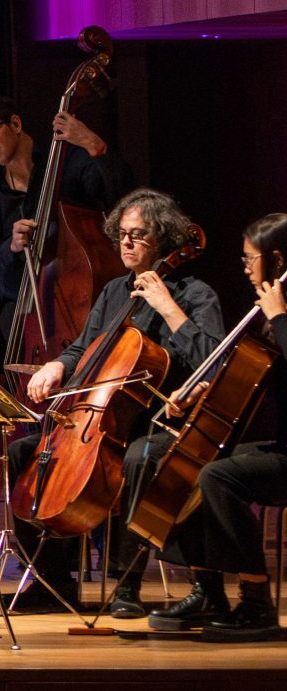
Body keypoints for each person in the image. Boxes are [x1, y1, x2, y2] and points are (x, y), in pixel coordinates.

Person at [4, 188, 224, 617]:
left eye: (137, 235)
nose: (125, 243)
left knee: (139, 459)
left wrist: (168, 309)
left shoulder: (196, 294)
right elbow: (85, 348)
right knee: (24, 453)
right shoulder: (113, 292)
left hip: (163, 423)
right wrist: (57, 367)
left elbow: (213, 363)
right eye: (122, 234)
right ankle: (53, 579)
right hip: (103, 420)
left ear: (162, 240)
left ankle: (127, 584)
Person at [143, 212, 287, 642]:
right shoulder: (272, 309)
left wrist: (279, 317)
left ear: (276, 259)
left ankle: (257, 602)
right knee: (196, 462)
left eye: (250, 259)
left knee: (219, 476)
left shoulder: (279, 313)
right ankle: (207, 588)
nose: (244, 268)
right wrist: (207, 388)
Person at [0, 91, 132, 323]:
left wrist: (94, 145)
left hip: (79, 298)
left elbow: (120, 197)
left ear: (15, 123)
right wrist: (11, 246)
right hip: (22, 311)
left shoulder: (64, 161)